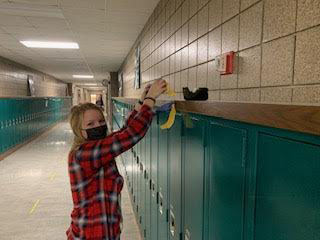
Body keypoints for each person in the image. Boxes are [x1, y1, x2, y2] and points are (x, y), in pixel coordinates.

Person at [66, 79, 167, 240]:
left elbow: (123, 132)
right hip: (91, 233)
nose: (97, 126)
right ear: (79, 131)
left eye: (100, 121)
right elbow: (131, 135)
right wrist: (151, 99)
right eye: (90, 124)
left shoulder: (97, 147)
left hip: (106, 229)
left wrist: (141, 102)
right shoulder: (84, 154)